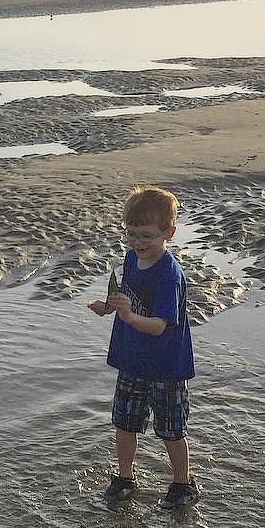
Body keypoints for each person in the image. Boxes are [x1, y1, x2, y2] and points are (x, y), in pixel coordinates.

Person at [87, 185, 199, 510]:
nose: (138, 242)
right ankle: (125, 478)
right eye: (131, 234)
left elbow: (159, 325)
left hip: (166, 366)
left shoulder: (169, 276)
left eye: (147, 236)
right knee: (124, 422)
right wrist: (108, 307)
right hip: (132, 360)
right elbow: (126, 296)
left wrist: (129, 316)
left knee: (171, 430)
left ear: (169, 233)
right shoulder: (132, 259)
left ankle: (183, 484)